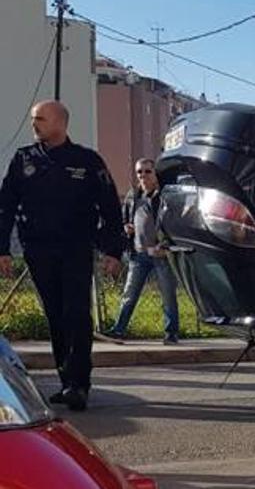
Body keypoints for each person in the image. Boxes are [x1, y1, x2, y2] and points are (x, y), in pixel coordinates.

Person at [0, 100, 124, 411]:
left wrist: (113, 250)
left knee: (76, 313)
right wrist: (1, 249)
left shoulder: (86, 161)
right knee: (55, 315)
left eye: (40, 118)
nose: (34, 124)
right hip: (38, 250)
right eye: (33, 119)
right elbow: (5, 207)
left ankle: (79, 384)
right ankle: (65, 377)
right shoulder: (23, 160)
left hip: (75, 250)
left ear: (60, 123)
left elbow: (110, 207)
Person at [103, 158, 179, 345]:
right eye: (139, 172)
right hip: (138, 254)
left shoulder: (163, 196)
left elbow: (174, 222)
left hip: (160, 253)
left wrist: (167, 244)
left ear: (155, 173)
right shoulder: (133, 195)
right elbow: (124, 219)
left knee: (168, 295)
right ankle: (118, 330)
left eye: (147, 171)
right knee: (129, 293)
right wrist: (126, 227)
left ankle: (171, 333)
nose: (143, 176)